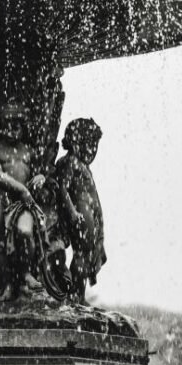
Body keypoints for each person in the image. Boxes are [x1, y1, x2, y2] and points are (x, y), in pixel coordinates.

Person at [0, 102, 47, 298]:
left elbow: (40, 173)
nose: (12, 129)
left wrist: (40, 178)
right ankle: (8, 282)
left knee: (24, 231)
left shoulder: (29, 151)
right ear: (1, 126)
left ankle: (26, 273)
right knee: (1, 242)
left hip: (23, 201)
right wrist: (22, 189)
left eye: (17, 125)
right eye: (8, 125)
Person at [54, 118, 106, 303]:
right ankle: (75, 294)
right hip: (80, 219)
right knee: (81, 256)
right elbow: (62, 188)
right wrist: (72, 212)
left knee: (85, 257)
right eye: (90, 144)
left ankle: (79, 294)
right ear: (77, 143)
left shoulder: (82, 165)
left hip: (88, 220)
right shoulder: (70, 162)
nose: (93, 151)